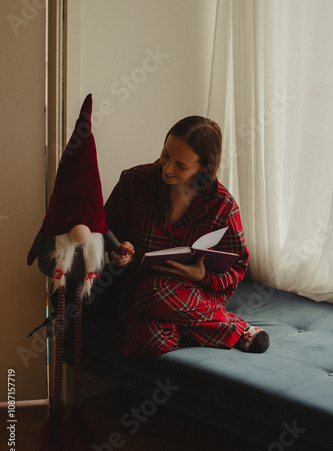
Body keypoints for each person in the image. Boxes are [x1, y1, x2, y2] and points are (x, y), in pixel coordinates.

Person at [104, 116, 269, 356]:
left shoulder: (222, 205)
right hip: (137, 290)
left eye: (181, 165)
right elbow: (105, 231)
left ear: (203, 166)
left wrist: (203, 275)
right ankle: (229, 329)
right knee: (144, 331)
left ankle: (219, 327)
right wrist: (118, 248)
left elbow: (239, 265)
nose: (167, 168)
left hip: (192, 295)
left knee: (153, 304)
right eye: (165, 155)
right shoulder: (133, 182)